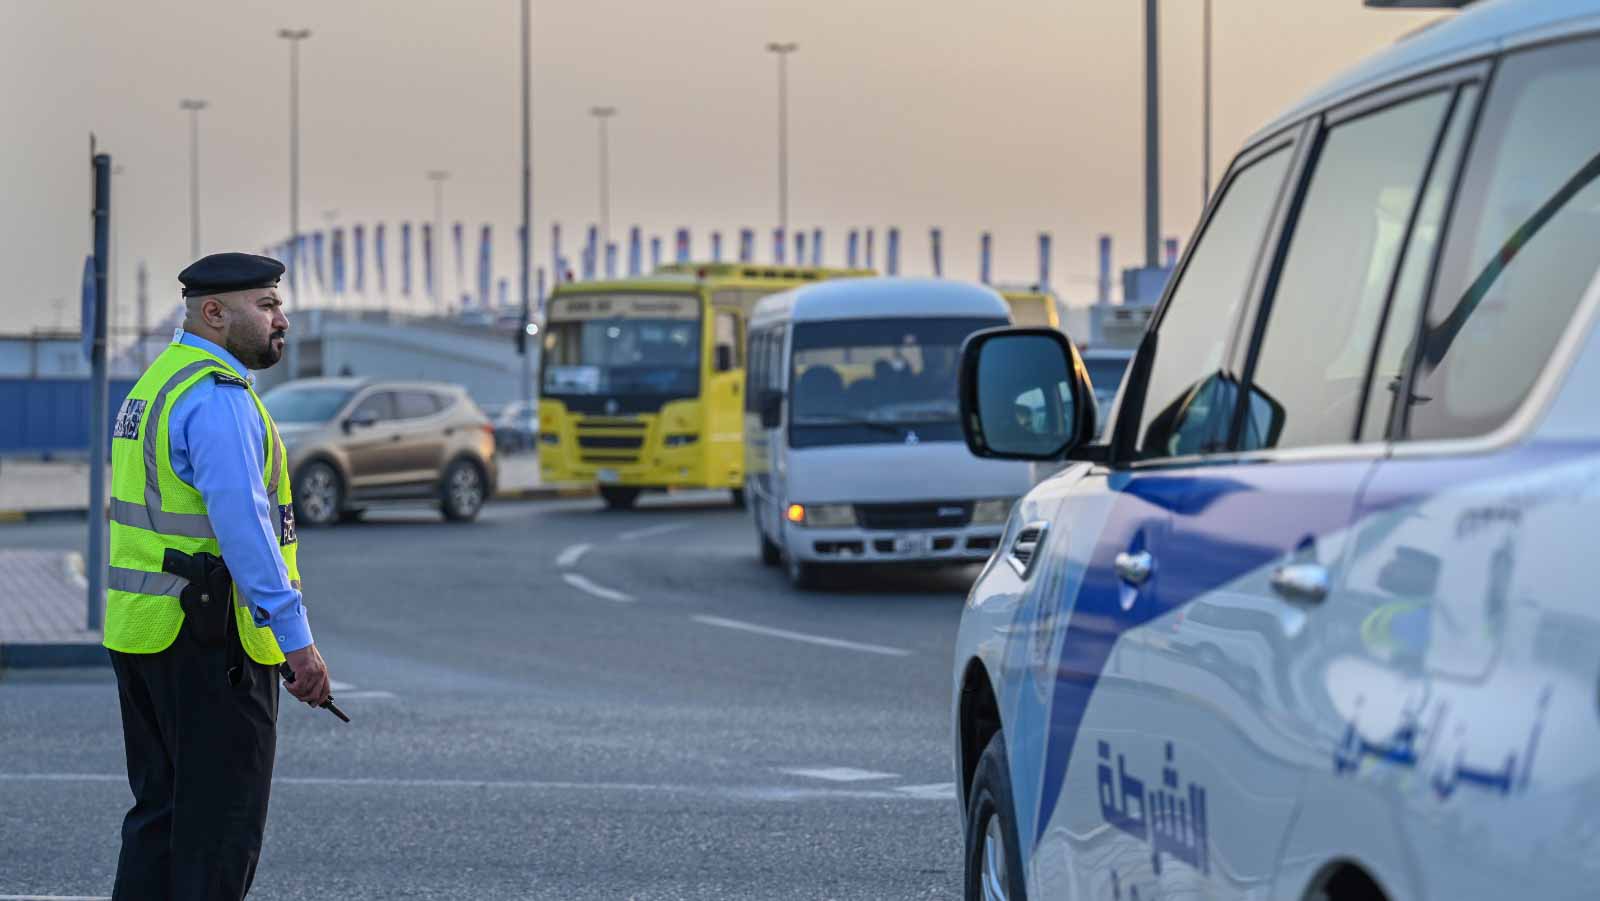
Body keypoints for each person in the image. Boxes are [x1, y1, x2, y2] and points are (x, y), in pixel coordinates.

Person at [102, 252, 334, 899]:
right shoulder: (216, 396)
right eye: (266, 305)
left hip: (146, 636)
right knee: (218, 841)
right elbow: (247, 533)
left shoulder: (156, 383)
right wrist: (298, 644)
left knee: (159, 826)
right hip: (211, 646)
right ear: (214, 313)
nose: (280, 319)